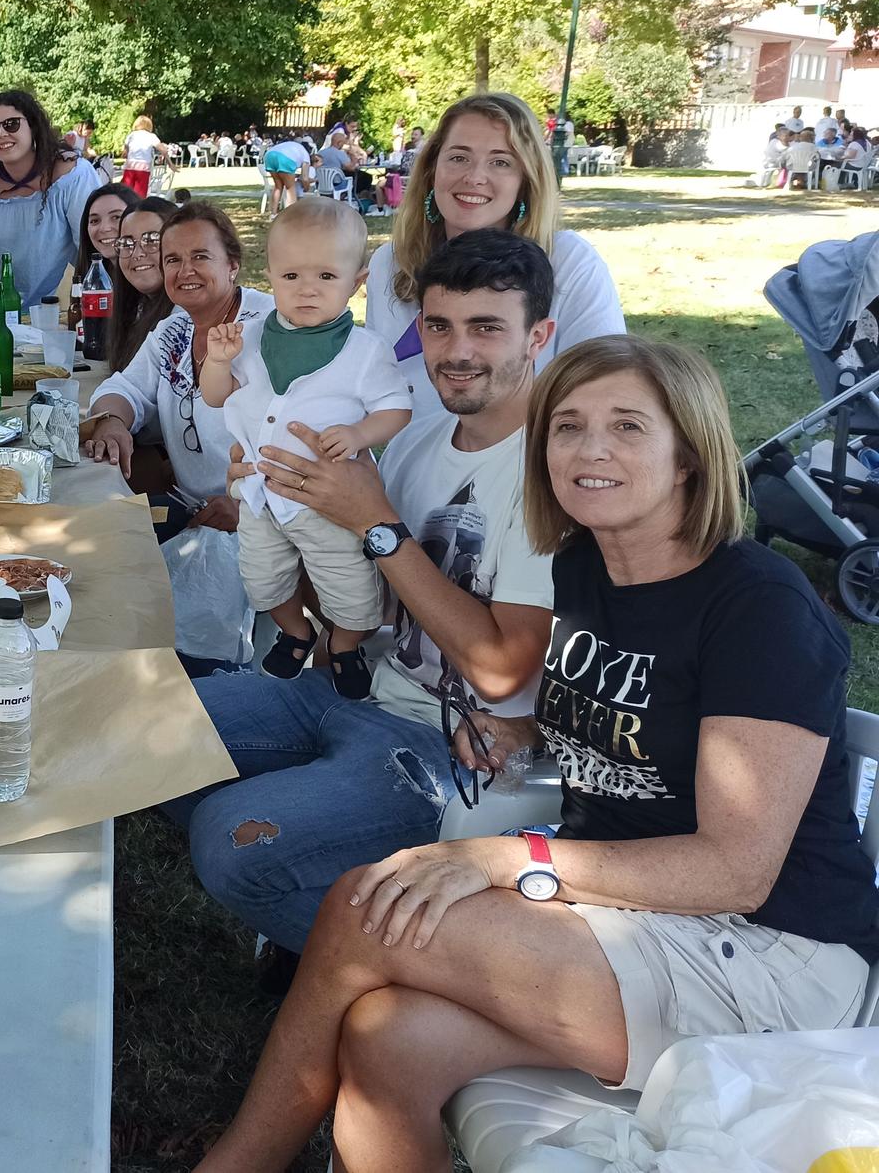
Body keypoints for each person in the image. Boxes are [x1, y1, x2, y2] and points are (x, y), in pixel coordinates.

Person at [192, 334, 879, 1173]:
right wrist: (528, 733)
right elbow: (644, 723)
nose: (591, 450)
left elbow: (736, 870)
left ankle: (237, 1163)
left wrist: (509, 860)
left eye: (629, 427)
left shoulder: (758, 611)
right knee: (388, 1040)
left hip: (774, 959)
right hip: (633, 921)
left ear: (691, 456)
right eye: (568, 427)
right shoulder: (590, 564)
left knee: (363, 907)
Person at [171, 230, 561, 975]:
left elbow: (504, 672)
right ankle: (333, 889)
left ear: (538, 335)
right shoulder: (417, 438)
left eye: (487, 328)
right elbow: (362, 597)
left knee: (229, 839)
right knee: (150, 730)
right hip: (356, 680)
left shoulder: (551, 467)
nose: (456, 351)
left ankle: (426, 967)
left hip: (447, 741)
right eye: (439, 327)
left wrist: (374, 525)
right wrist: (272, 504)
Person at [200, 199, 412, 698]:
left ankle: (344, 644)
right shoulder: (249, 338)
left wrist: (360, 435)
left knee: (351, 587)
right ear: (269, 275)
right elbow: (216, 395)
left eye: (325, 276)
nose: (307, 289)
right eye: (291, 276)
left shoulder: (366, 352)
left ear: (356, 282)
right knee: (262, 581)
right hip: (257, 491)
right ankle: (297, 632)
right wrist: (217, 361)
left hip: (326, 502)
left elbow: (396, 409)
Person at [86, 202, 274, 655]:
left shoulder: (270, 330)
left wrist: (248, 506)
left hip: (260, 521)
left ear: (232, 264)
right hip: (191, 511)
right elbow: (125, 387)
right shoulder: (175, 328)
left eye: (200, 257)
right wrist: (112, 421)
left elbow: (301, 436)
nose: (184, 270)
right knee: (91, 551)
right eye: (173, 260)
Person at [367, 92, 623, 422]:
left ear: (525, 181)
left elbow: (607, 388)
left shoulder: (569, 262)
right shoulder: (391, 263)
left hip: (532, 463)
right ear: (432, 170)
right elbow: (378, 390)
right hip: (414, 466)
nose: (474, 177)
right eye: (458, 157)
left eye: (500, 162)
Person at [0, 88, 102, 308]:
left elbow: (91, 250)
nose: (1, 134)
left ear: (33, 127)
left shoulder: (73, 175)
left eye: (11, 124)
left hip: (60, 310)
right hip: (3, 313)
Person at [106, 195, 179, 378]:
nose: (137, 254)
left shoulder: (185, 318)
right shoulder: (137, 310)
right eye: (127, 243)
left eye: (152, 240)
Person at [75, 180, 136, 278]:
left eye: (116, 217)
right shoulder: (91, 281)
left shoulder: (153, 282)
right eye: (95, 221)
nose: (104, 228)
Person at [260, 135, 312, 214]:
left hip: (270, 155)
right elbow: (305, 178)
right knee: (290, 188)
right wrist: (306, 188)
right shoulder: (306, 155)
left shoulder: (293, 145)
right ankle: (290, 214)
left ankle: (273, 213)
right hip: (285, 158)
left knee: (278, 186)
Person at [122, 114, 164, 197]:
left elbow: (125, 152)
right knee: (140, 193)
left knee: (126, 192)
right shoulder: (151, 136)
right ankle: (139, 207)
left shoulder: (131, 135)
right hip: (143, 166)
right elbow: (162, 149)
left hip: (130, 165)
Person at [315, 129, 354, 196]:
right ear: (339, 143)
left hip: (320, 184)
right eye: (343, 143)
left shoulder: (320, 153)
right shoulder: (340, 153)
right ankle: (343, 197)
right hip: (336, 184)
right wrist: (353, 156)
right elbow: (350, 168)